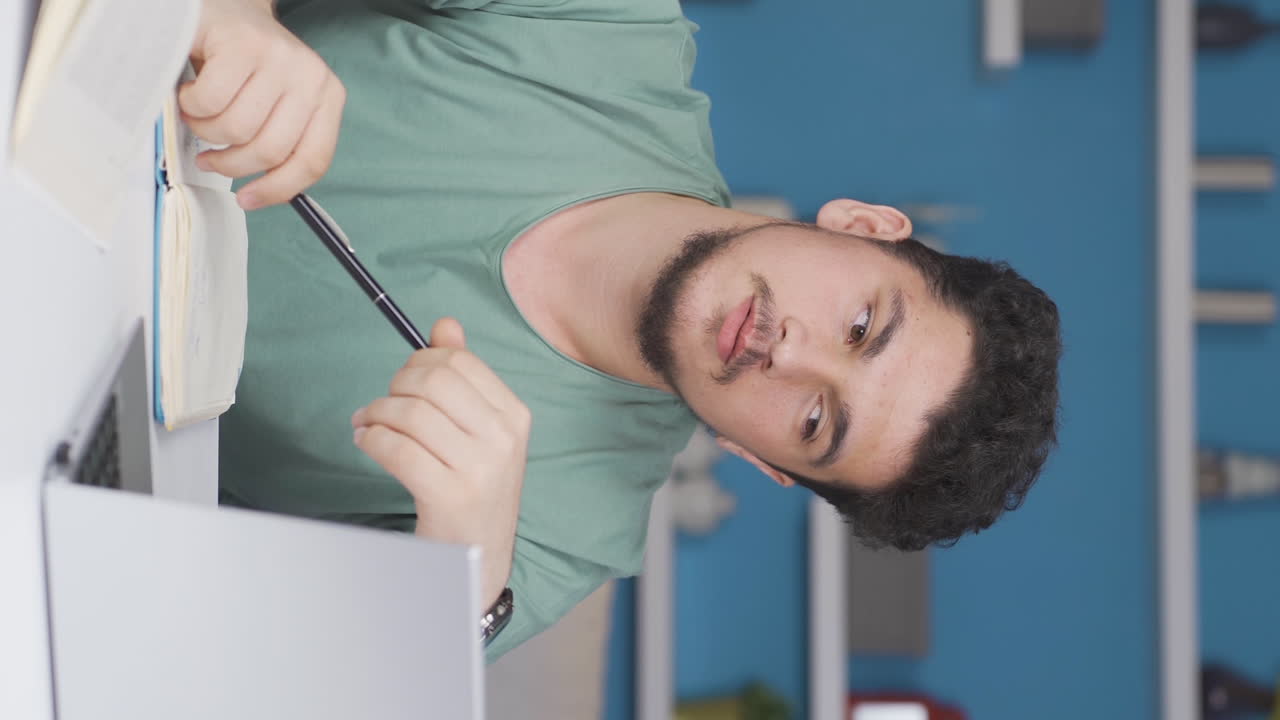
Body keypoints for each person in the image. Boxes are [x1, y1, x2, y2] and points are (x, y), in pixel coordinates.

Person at [188, 0, 1062, 659]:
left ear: (762, 461)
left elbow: (280, 669)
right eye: (863, 324)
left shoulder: (563, 534)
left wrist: (461, 574)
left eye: (815, 421)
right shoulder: (606, 25)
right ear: (862, 226)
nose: (791, 355)